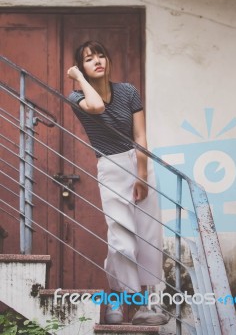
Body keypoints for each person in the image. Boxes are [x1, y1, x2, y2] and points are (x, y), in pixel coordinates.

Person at [67, 40, 168, 326]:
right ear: (81, 67)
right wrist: (78, 79)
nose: (97, 61)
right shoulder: (76, 97)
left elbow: (140, 135)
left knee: (148, 237)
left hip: (139, 165)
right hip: (110, 167)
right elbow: (97, 106)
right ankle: (118, 297)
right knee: (121, 240)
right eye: (89, 59)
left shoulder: (128, 92)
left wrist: (142, 174)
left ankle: (144, 306)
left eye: (101, 55)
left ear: (108, 60)